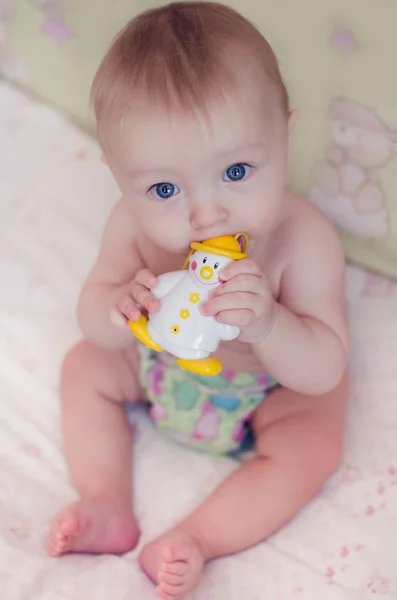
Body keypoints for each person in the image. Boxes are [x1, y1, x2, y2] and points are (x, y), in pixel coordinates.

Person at [47, 3, 349, 599]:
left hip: (269, 394)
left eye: (237, 170)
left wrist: (270, 325)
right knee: (84, 364)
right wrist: (118, 308)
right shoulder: (130, 227)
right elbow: (92, 317)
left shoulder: (303, 238)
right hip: (162, 365)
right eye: (163, 188)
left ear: (284, 139)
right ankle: (106, 501)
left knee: (313, 446)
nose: (205, 214)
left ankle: (198, 538)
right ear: (119, 176)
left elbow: (325, 367)